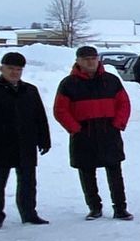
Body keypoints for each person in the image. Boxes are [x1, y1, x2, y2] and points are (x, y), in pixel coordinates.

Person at [53, 45, 133, 221]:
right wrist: (75, 129)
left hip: (109, 132)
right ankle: (94, 207)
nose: (91, 62)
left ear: (98, 60)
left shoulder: (111, 80)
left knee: (115, 172)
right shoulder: (68, 84)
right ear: (78, 61)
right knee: (87, 173)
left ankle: (120, 208)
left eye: (93, 58)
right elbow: (60, 110)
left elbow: (124, 104)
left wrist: (117, 124)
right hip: (83, 133)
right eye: (86, 59)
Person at [0, 51, 52, 230]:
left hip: (26, 144)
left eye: (18, 69)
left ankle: (29, 213)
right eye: (11, 68)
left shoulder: (30, 90)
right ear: (2, 68)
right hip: (0, 145)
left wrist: (44, 139)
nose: (15, 72)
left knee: (28, 182)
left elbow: (40, 117)